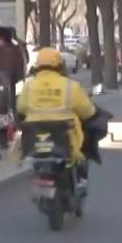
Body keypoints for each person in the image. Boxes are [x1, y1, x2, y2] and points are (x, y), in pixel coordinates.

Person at [18, 47, 98, 193]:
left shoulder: (29, 86)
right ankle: (81, 179)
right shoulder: (70, 86)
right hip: (67, 137)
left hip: (35, 138)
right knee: (84, 147)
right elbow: (87, 111)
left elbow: (21, 108)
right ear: (60, 64)